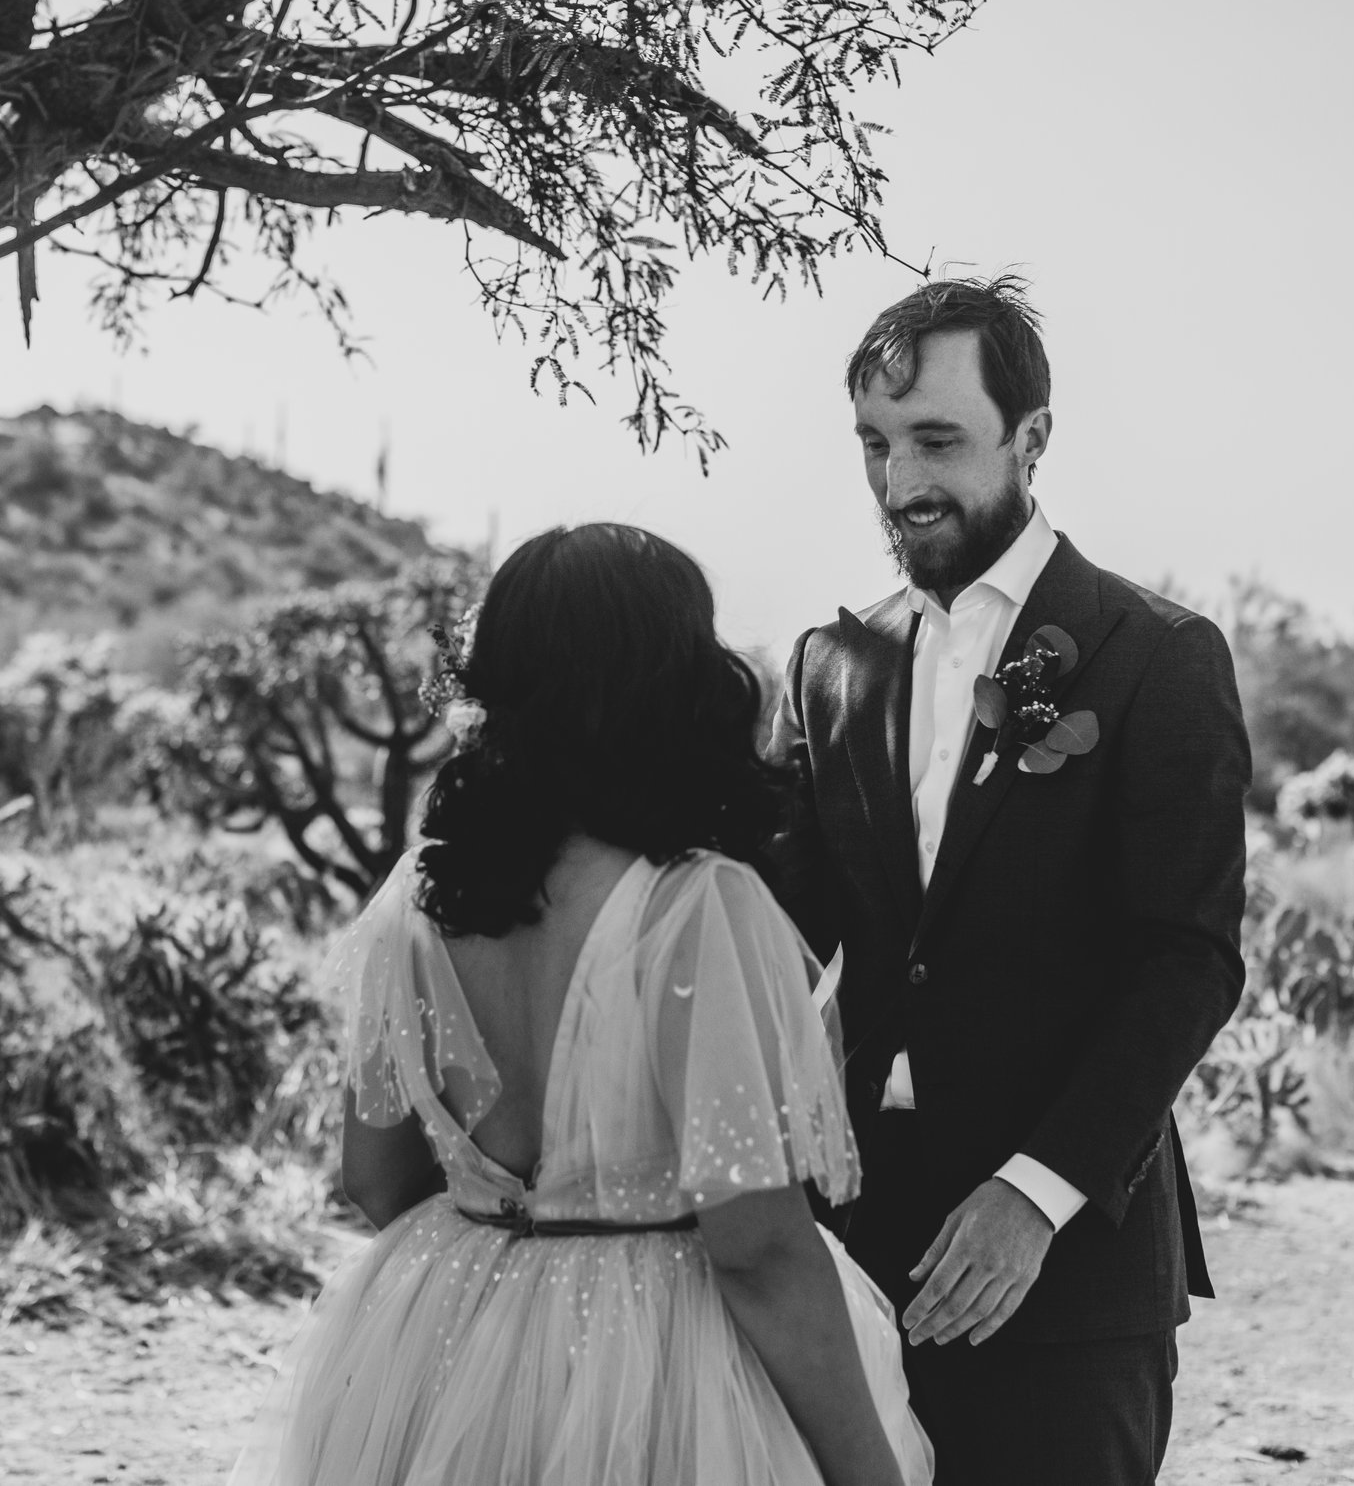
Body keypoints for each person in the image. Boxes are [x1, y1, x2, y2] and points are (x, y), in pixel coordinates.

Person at [230, 523, 932, 1486]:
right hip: (664, 1360)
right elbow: (759, 1246)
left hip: (447, 1334)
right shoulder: (694, 908)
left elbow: (375, 1177)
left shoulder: (417, 897)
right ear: (671, 683)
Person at [769, 276, 1250, 1485]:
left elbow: (1187, 959)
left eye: (937, 440)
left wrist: (1035, 1195)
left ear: (1031, 438)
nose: (899, 483)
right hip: (855, 1250)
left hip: (1069, 1265)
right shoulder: (833, 661)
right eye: (875, 444)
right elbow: (780, 925)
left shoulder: (1159, 658)